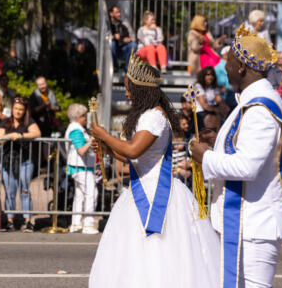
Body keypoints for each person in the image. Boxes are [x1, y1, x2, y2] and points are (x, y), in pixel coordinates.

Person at [190, 24, 282, 287]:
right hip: (247, 220)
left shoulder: (260, 106)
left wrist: (206, 157)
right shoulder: (253, 100)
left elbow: (247, 166)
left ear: (242, 67)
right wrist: (218, 143)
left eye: (228, 61)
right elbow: (248, 148)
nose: (223, 68)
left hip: (256, 223)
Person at [89, 55, 220, 288]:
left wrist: (104, 135)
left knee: (159, 251)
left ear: (141, 90)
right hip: (142, 188)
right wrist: (107, 149)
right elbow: (134, 156)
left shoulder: (154, 117)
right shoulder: (148, 114)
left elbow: (132, 150)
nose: (127, 94)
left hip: (158, 193)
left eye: (130, 90)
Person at [0, 97, 41, 233]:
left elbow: (37, 133)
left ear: (25, 110)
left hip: (25, 161)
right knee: (10, 191)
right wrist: (8, 137)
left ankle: (28, 221)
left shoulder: (29, 122)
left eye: (21, 109)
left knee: (24, 190)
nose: (18, 112)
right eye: (16, 109)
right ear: (12, 109)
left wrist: (20, 135)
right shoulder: (6, 122)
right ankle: (10, 221)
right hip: (7, 161)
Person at [64, 103, 98, 235]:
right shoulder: (76, 130)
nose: (86, 118)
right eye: (84, 116)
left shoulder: (77, 129)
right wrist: (91, 141)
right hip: (80, 167)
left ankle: (76, 223)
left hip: (80, 167)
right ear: (78, 116)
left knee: (80, 196)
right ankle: (88, 224)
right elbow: (81, 150)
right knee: (91, 193)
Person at [109, 5, 137, 70]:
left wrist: (129, 39)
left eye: (119, 12)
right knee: (112, 43)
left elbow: (134, 38)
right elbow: (104, 38)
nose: (119, 14)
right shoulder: (108, 25)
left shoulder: (125, 23)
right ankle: (115, 66)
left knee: (133, 45)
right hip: (112, 50)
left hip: (124, 49)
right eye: (117, 12)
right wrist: (113, 37)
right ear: (111, 14)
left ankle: (127, 67)